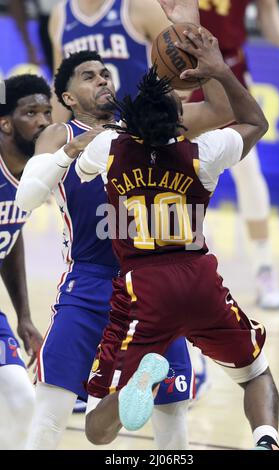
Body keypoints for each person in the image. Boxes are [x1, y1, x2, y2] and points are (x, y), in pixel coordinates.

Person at [16, 11, 235, 448]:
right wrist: (71, 152)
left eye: (105, 72)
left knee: (173, 419)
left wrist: (204, 53)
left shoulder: (145, 124)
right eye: (88, 75)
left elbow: (222, 112)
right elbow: (27, 198)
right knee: (49, 419)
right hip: (88, 287)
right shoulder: (60, 133)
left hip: (152, 287)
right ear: (68, 97)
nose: (102, 79)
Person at [72, 28, 279, 451]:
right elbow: (256, 122)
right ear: (180, 120)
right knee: (256, 374)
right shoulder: (202, 152)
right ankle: (266, 440)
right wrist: (218, 69)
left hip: (142, 288)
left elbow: (82, 171)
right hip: (199, 278)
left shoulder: (110, 146)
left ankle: (138, 383)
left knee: (97, 429)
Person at [184, 0, 279, 309]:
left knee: (248, 172)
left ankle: (264, 269)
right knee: (182, 180)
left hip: (228, 67)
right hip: (182, 69)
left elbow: (267, 10)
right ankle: (191, 275)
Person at [0, 74, 51, 449]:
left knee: (22, 401)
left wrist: (24, 315)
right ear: (5, 123)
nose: (43, 121)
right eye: (30, 112)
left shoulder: (33, 178)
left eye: (47, 112)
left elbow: (9, 236)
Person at [48, 0, 174, 121]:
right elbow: (61, 84)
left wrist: (167, 118)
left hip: (143, 122)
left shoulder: (140, 5)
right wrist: (53, 132)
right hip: (96, 133)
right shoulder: (60, 16)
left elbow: (181, 65)